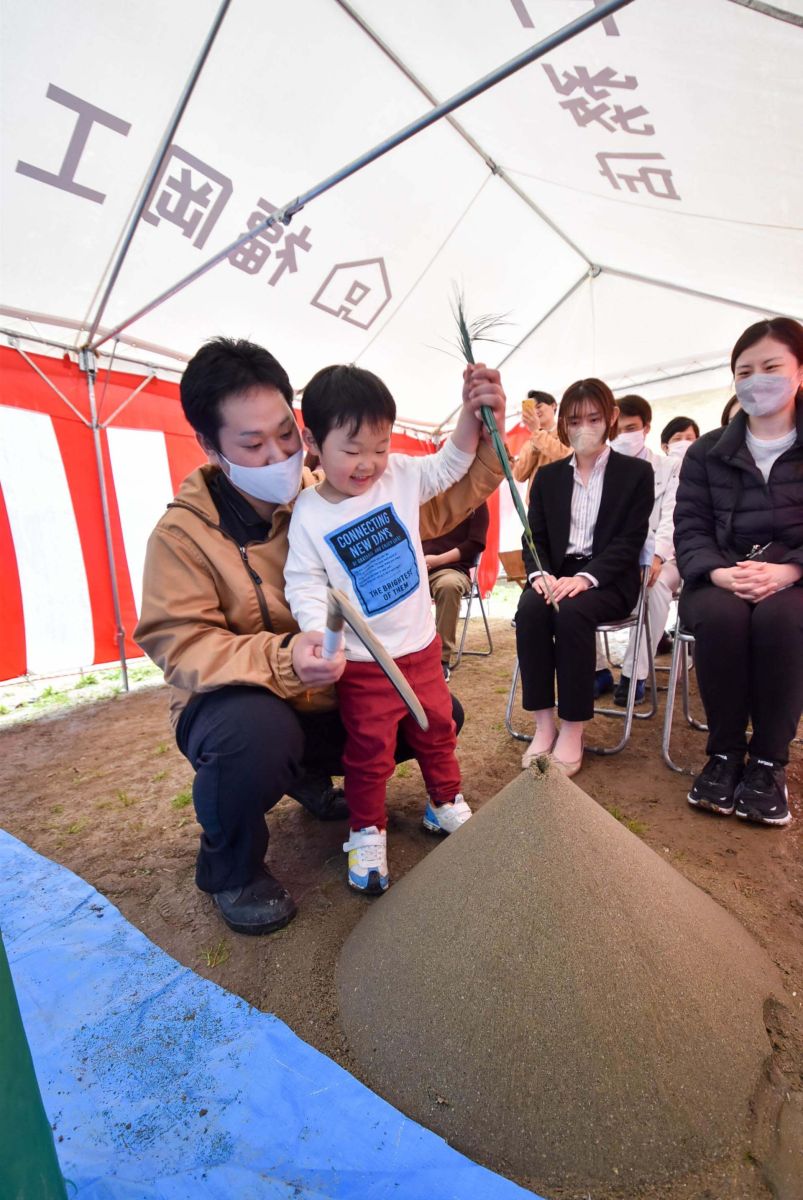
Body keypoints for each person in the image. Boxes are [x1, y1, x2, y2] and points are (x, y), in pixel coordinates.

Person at [134, 338, 507, 934]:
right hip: (247, 700)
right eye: (253, 444)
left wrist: (483, 434)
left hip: (332, 686)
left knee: (437, 714)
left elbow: (428, 504)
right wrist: (287, 655)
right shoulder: (182, 537)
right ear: (209, 447)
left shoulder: (333, 484)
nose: (280, 454)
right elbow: (178, 642)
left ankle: (311, 778)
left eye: (285, 432)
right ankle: (229, 868)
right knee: (255, 738)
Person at [285, 364, 489, 894]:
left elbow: (451, 464)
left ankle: (444, 801)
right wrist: (320, 634)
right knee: (369, 752)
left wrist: (470, 413)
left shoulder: (397, 475)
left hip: (420, 648)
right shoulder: (307, 512)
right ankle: (366, 831)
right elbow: (304, 582)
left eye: (380, 445)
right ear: (312, 441)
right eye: (353, 450)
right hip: (362, 661)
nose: (368, 463)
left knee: (437, 728)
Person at [675, 316, 803, 827]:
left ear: (798, 372)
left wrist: (789, 571)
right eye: (744, 371)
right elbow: (690, 527)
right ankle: (725, 754)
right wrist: (720, 574)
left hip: (794, 579)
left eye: (771, 366)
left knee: (780, 622)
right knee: (722, 620)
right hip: (722, 576)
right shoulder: (707, 451)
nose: (757, 380)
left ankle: (770, 762)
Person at [515, 379, 653, 777]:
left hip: (609, 578)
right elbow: (533, 534)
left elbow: (630, 540)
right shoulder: (550, 476)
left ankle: (573, 728)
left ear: (610, 418)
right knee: (531, 611)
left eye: (594, 418)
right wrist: (539, 573)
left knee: (572, 613)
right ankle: (544, 724)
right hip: (557, 572)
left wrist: (589, 577)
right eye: (575, 420)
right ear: (563, 424)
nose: (584, 428)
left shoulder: (636, 474)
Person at [609, 395, 681, 705]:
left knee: (656, 585)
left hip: (664, 557)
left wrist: (655, 557)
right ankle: (596, 669)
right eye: (617, 429)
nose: (624, 436)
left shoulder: (669, 467)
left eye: (631, 428)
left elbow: (672, 517)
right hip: (618, 557)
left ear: (646, 428)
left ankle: (633, 674)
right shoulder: (603, 469)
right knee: (573, 592)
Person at [422, 502, 490, 680]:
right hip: (415, 569)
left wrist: (437, 561)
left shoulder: (476, 500)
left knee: (448, 585)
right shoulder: (422, 496)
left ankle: (440, 660)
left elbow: (475, 544)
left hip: (451, 569)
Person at [512, 389, 569, 501]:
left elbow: (565, 457)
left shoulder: (567, 433)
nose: (535, 411)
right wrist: (534, 446)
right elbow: (519, 475)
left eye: (538, 407)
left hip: (561, 502)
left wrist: (537, 433)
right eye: (532, 409)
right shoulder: (530, 442)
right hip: (535, 506)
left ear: (553, 405)